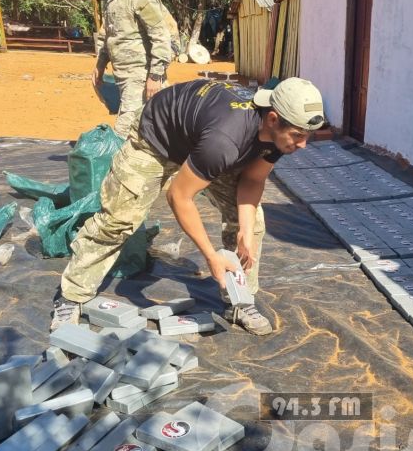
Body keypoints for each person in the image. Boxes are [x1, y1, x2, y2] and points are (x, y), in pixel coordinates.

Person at [51, 76, 325, 335]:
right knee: (118, 220)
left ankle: (241, 300)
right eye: (298, 135)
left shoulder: (277, 136)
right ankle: (71, 295)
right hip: (158, 139)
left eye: (307, 136)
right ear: (273, 119)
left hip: (204, 141)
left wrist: (244, 228)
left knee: (253, 226)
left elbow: (252, 181)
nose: (303, 145)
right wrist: (211, 256)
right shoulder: (225, 141)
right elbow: (179, 196)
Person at [92, 0, 171, 137]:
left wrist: (155, 76)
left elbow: (161, 36)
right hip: (124, 77)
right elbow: (110, 36)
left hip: (141, 77)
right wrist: (100, 64)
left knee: (123, 132)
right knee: (152, 127)